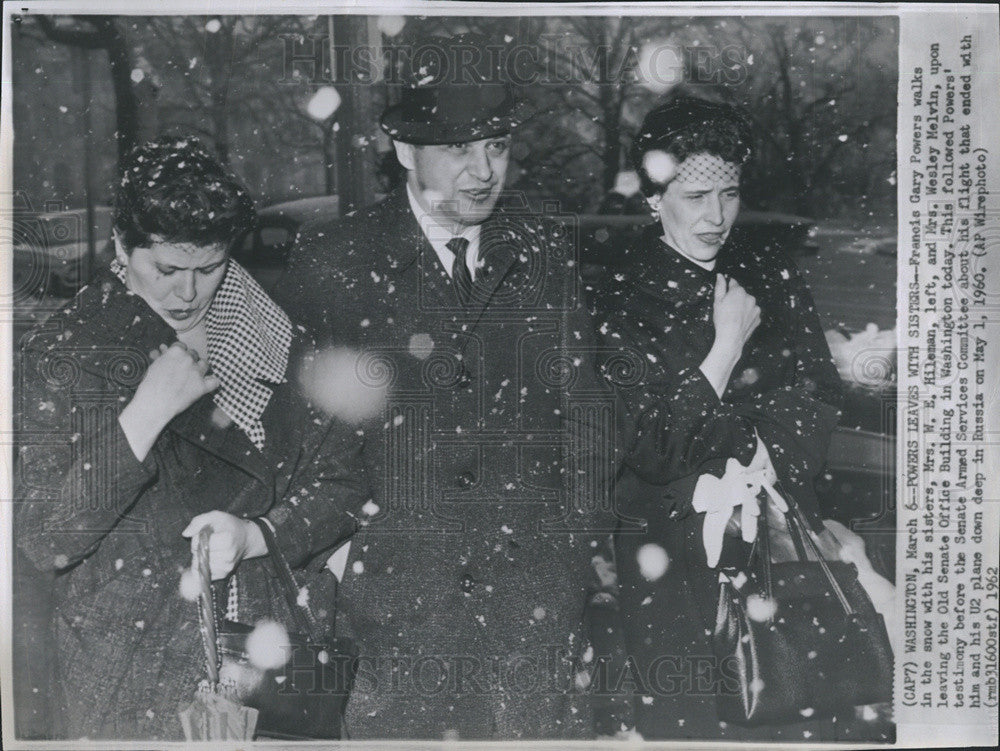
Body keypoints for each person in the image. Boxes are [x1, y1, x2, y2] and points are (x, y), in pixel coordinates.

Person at [272, 34, 615, 740]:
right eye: (459, 149)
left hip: (536, 618)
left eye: (496, 146)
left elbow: (585, 414)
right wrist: (344, 567)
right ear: (404, 150)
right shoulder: (336, 260)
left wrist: (571, 554)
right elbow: (307, 449)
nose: (484, 171)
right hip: (397, 625)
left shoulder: (541, 244)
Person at [14, 137, 368, 740]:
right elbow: (44, 538)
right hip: (130, 674)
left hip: (264, 662)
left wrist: (261, 534)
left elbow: (346, 482)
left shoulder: (274, 332)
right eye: (168, 270)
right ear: (123, 248)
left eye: (210, 268)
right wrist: (142, 416)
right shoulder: (65, 350)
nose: (188, 293)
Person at [590, 95, 885, 741]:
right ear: (651, 198)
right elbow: (650, 445)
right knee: (691, 724)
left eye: (728, 192)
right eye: (696, 196)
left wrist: (750, 446)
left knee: (796, 707)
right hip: (667, 568)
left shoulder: (769, 277)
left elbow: (816, 392)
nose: (716, 215)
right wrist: (723, 352)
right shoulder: (616, 298)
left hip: (778, 543)